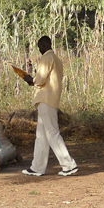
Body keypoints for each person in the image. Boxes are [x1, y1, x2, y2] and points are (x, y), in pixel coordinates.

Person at [22, 36, 78, 177]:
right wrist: (33, 81)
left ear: (46, 45)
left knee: (52, 133)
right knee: (41, 136)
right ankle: (37, 167)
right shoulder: (56, 59)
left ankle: (69, 165)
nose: (39, 49)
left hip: (46, 100)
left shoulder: (46, 58)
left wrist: (31, 79)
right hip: (50, 99)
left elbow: (40, 80)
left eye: (40, 46)